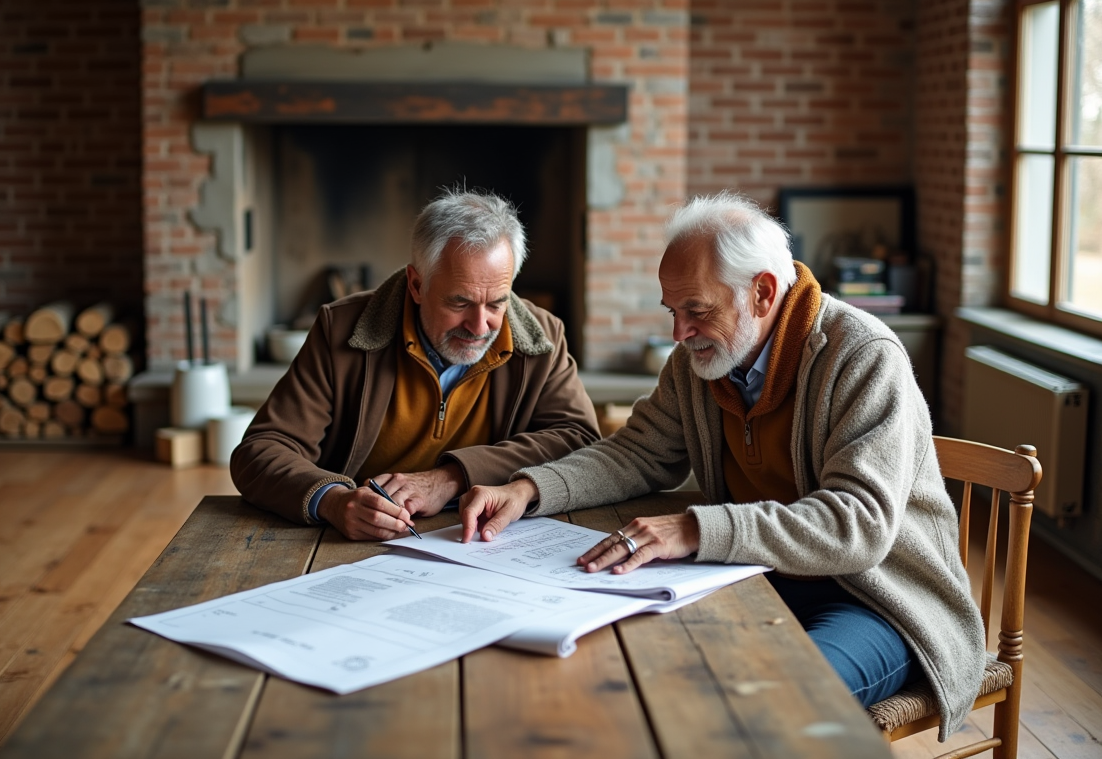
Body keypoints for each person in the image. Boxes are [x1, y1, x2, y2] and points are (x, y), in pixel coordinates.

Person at [458, 191, 985, 741]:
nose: (678, 333)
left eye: (698, 311)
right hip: (755, 573)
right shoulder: (701, 361)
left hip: (876, 599)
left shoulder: (864, 355)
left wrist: (694, 527)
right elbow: (636, 452)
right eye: (673, 311)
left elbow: (858, 527)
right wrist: (529, 489)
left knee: (765, 706)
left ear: (762, 293)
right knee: (641, 669)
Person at [230, 189, 600, 541]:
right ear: (417, 285)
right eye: (459, 303)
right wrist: (331, 500)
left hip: (482, 544)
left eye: (496, 304)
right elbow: (260, 450)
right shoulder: (340, 329)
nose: (479, 325)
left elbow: (579, 440)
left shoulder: (542, 336)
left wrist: (452, 477)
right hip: (352, 542)